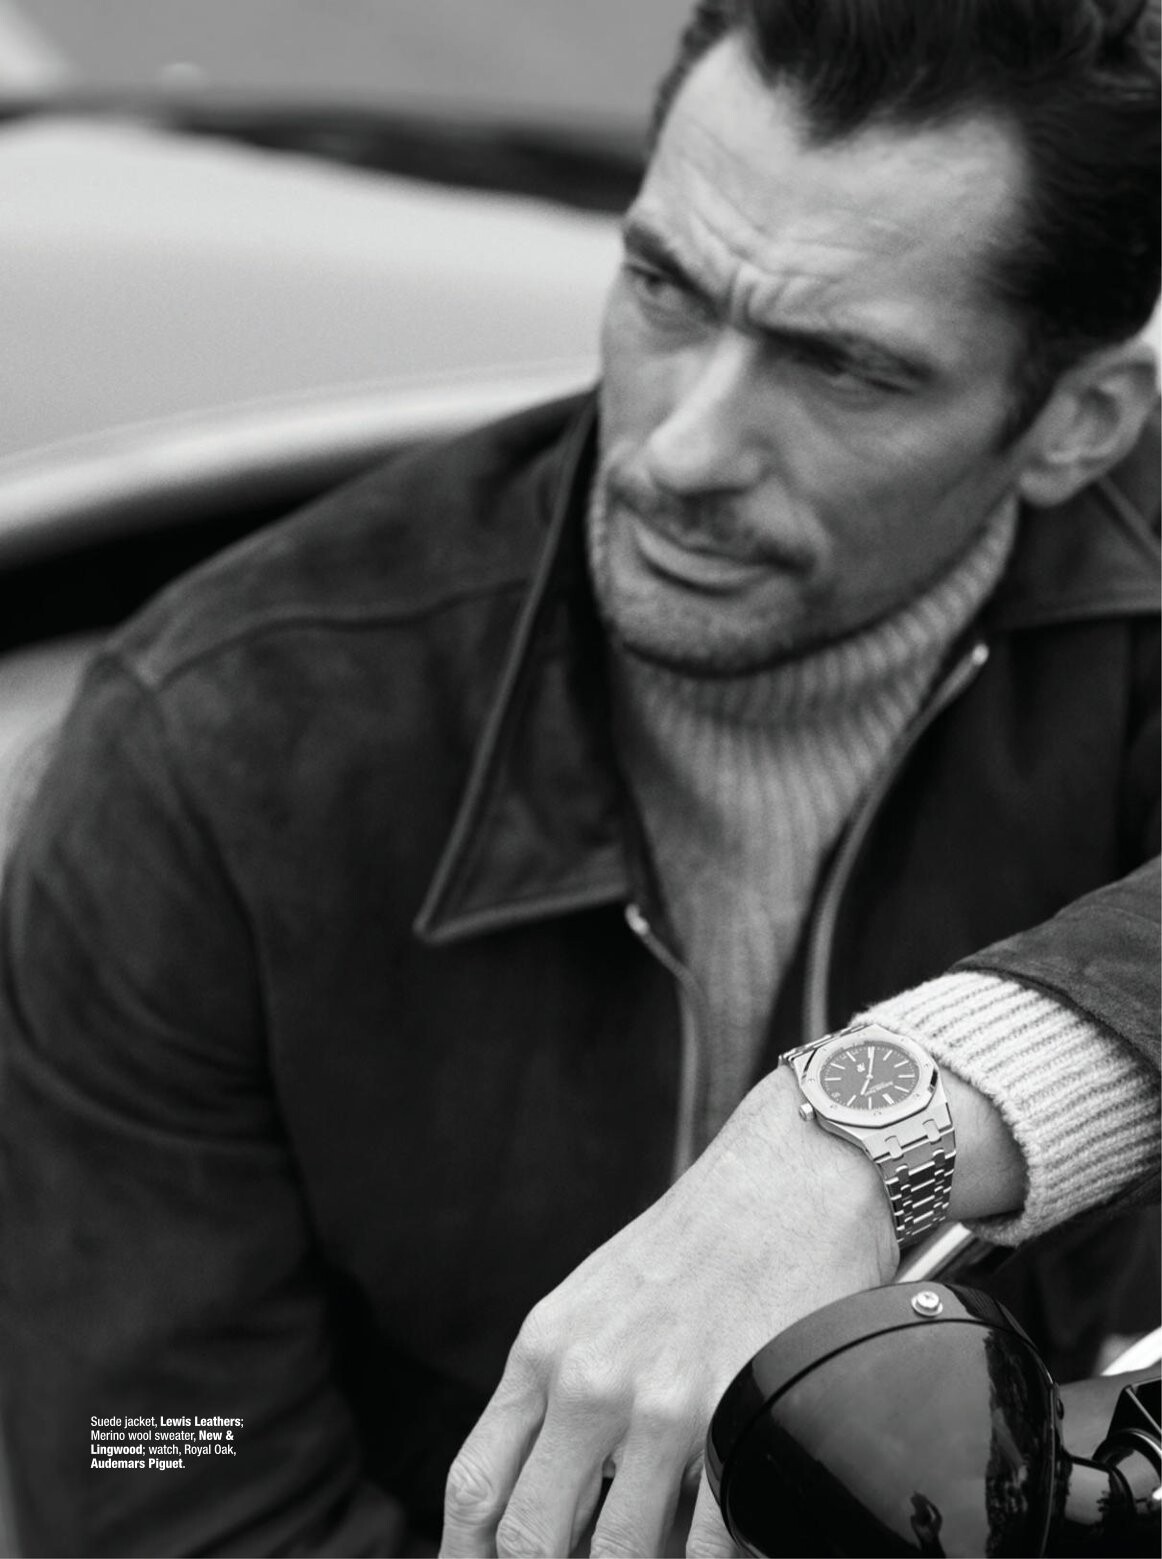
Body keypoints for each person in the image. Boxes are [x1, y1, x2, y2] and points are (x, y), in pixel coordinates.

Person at [0, 0, 1158, 1554]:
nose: (681, 448)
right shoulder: (214, 749)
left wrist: (857, 1137)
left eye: (840, 369)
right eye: (662, 288)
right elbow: (160, 1470)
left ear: (1077, 423)